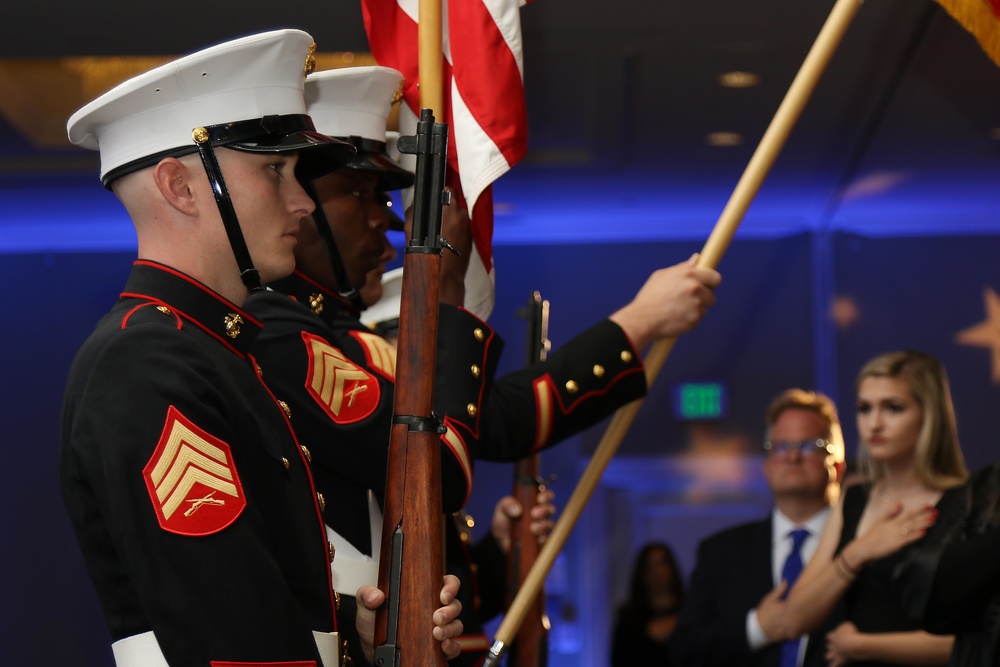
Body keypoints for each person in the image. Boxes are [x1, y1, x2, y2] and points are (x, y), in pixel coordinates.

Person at [244, 63, 721, 666]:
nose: (384, 221)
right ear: (300, 203)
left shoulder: (340, 337)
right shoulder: (277, 333)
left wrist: (639, 324)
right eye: (361, 193)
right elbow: (437, 463)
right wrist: (439, 298)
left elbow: (491, 420)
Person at [59, 31, 462, 667]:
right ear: (181, 187)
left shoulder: (212, 349)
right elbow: (232, 640)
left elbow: (261, 606)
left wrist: (358, 640)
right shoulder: (147, 364)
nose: (302, 201)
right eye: (275, 171)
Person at [771, 351, 965, 666]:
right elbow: (793, 620)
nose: (874, 423)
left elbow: (978, 642)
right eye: (864, 408)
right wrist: (859, 552)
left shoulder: (968, 501)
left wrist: (862, 646)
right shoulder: (854, 499)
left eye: (893, 408)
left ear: (930, 414)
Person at [669, 388, 847, 667]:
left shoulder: (861, 548)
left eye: (808, 446)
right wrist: (757, 629)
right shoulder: (719, 555)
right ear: (766, 466)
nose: (792, 457)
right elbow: (685, 653)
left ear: (837, 467)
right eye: (781, 446)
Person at [611, 541, 686, 667]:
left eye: (662, 564)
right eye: (649, 566)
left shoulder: (691, 614)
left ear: (672, 568)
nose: (656, 572)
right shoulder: (629, 620)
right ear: (641, 573)